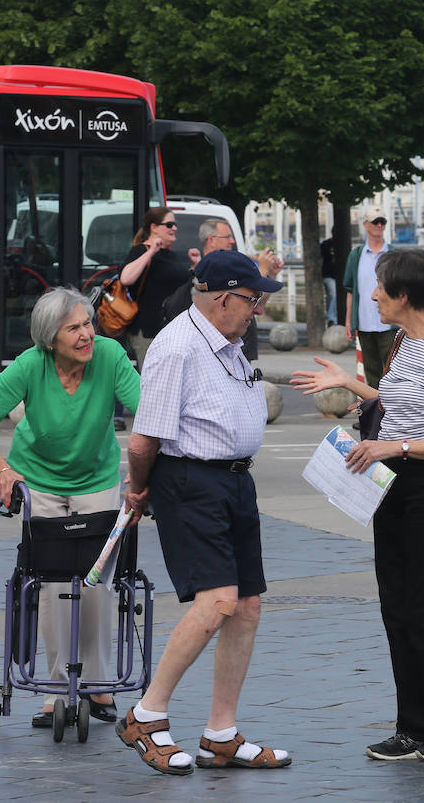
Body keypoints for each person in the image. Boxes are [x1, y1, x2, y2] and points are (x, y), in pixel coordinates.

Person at [291, 248, 424, 763]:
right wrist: (348, 383)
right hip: (395, 486)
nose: (373, 295)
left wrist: (392, 447)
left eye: (380, 288)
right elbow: (397, 403)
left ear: (404, 295)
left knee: (423, 612)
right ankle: (416, 726)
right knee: (395, 609)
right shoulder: (402, 340)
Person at [116, 250, 291, 776]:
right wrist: (140, 489)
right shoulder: (177, 347)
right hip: (190, 479)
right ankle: (147, 714)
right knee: (217, 601)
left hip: (235, 479)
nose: (257, 308)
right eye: (251, 298)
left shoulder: (230, 344)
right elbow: (144, 439)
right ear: (221, 297)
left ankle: (221, 732)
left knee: (248, 604)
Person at [0, 287, 139, 729]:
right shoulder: (30, 365)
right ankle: (59, 686)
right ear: (49, 339)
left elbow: (148, 414)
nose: (86, 335)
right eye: (74, 328)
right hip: (38, 481)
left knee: (96, 583)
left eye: (88, 324)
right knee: (53, 584)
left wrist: (143, 471)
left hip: (97, 480)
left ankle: (95, 684)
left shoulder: (111, 356)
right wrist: (2, 470)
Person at [163, 218, 282, 360]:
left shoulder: (232, 267)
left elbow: (259, 303)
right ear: (211, 240)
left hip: (237, 349)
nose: (232, 241)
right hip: (220, 352)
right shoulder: (204, 281)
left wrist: (269, 274)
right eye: (227, 237)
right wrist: (262, 270)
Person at [120, 207, 191, 369]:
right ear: (154, 228)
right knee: (152, 381)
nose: (175, 228)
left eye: (175, 224)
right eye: (169, 224)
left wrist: (195, 265)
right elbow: (125, 278)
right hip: (148, 332)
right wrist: (151, 251)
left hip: (172, 330)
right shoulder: (141, 250)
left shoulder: (170, 255)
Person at [343, 206, 394, 387]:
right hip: (364, 324)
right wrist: (349, 322)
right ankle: (376, 412)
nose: (379, 225)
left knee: (393, 369)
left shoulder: (393, 254)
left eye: (382, 222)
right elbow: (350, 290)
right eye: (375, 222)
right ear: (365, 224)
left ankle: (394, 409)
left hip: (390, 324)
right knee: (371, 372)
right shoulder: (355, 255)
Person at [321, 237, 338, 327]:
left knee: (330, 298)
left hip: (337, 276)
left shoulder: (343, 243)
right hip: (328, 275)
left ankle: (331, 319)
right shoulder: (326, 244)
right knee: (334, 295)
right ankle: (331, 317)